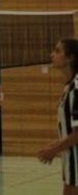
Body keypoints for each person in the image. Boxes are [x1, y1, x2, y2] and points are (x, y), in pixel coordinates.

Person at [37, 38, 78, 194]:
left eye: (57, 51)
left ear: (70, 57)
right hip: (70, 157)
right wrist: (56, 144)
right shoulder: (69, 86)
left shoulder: (76, 87)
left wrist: (54, 150)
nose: (52, 54)